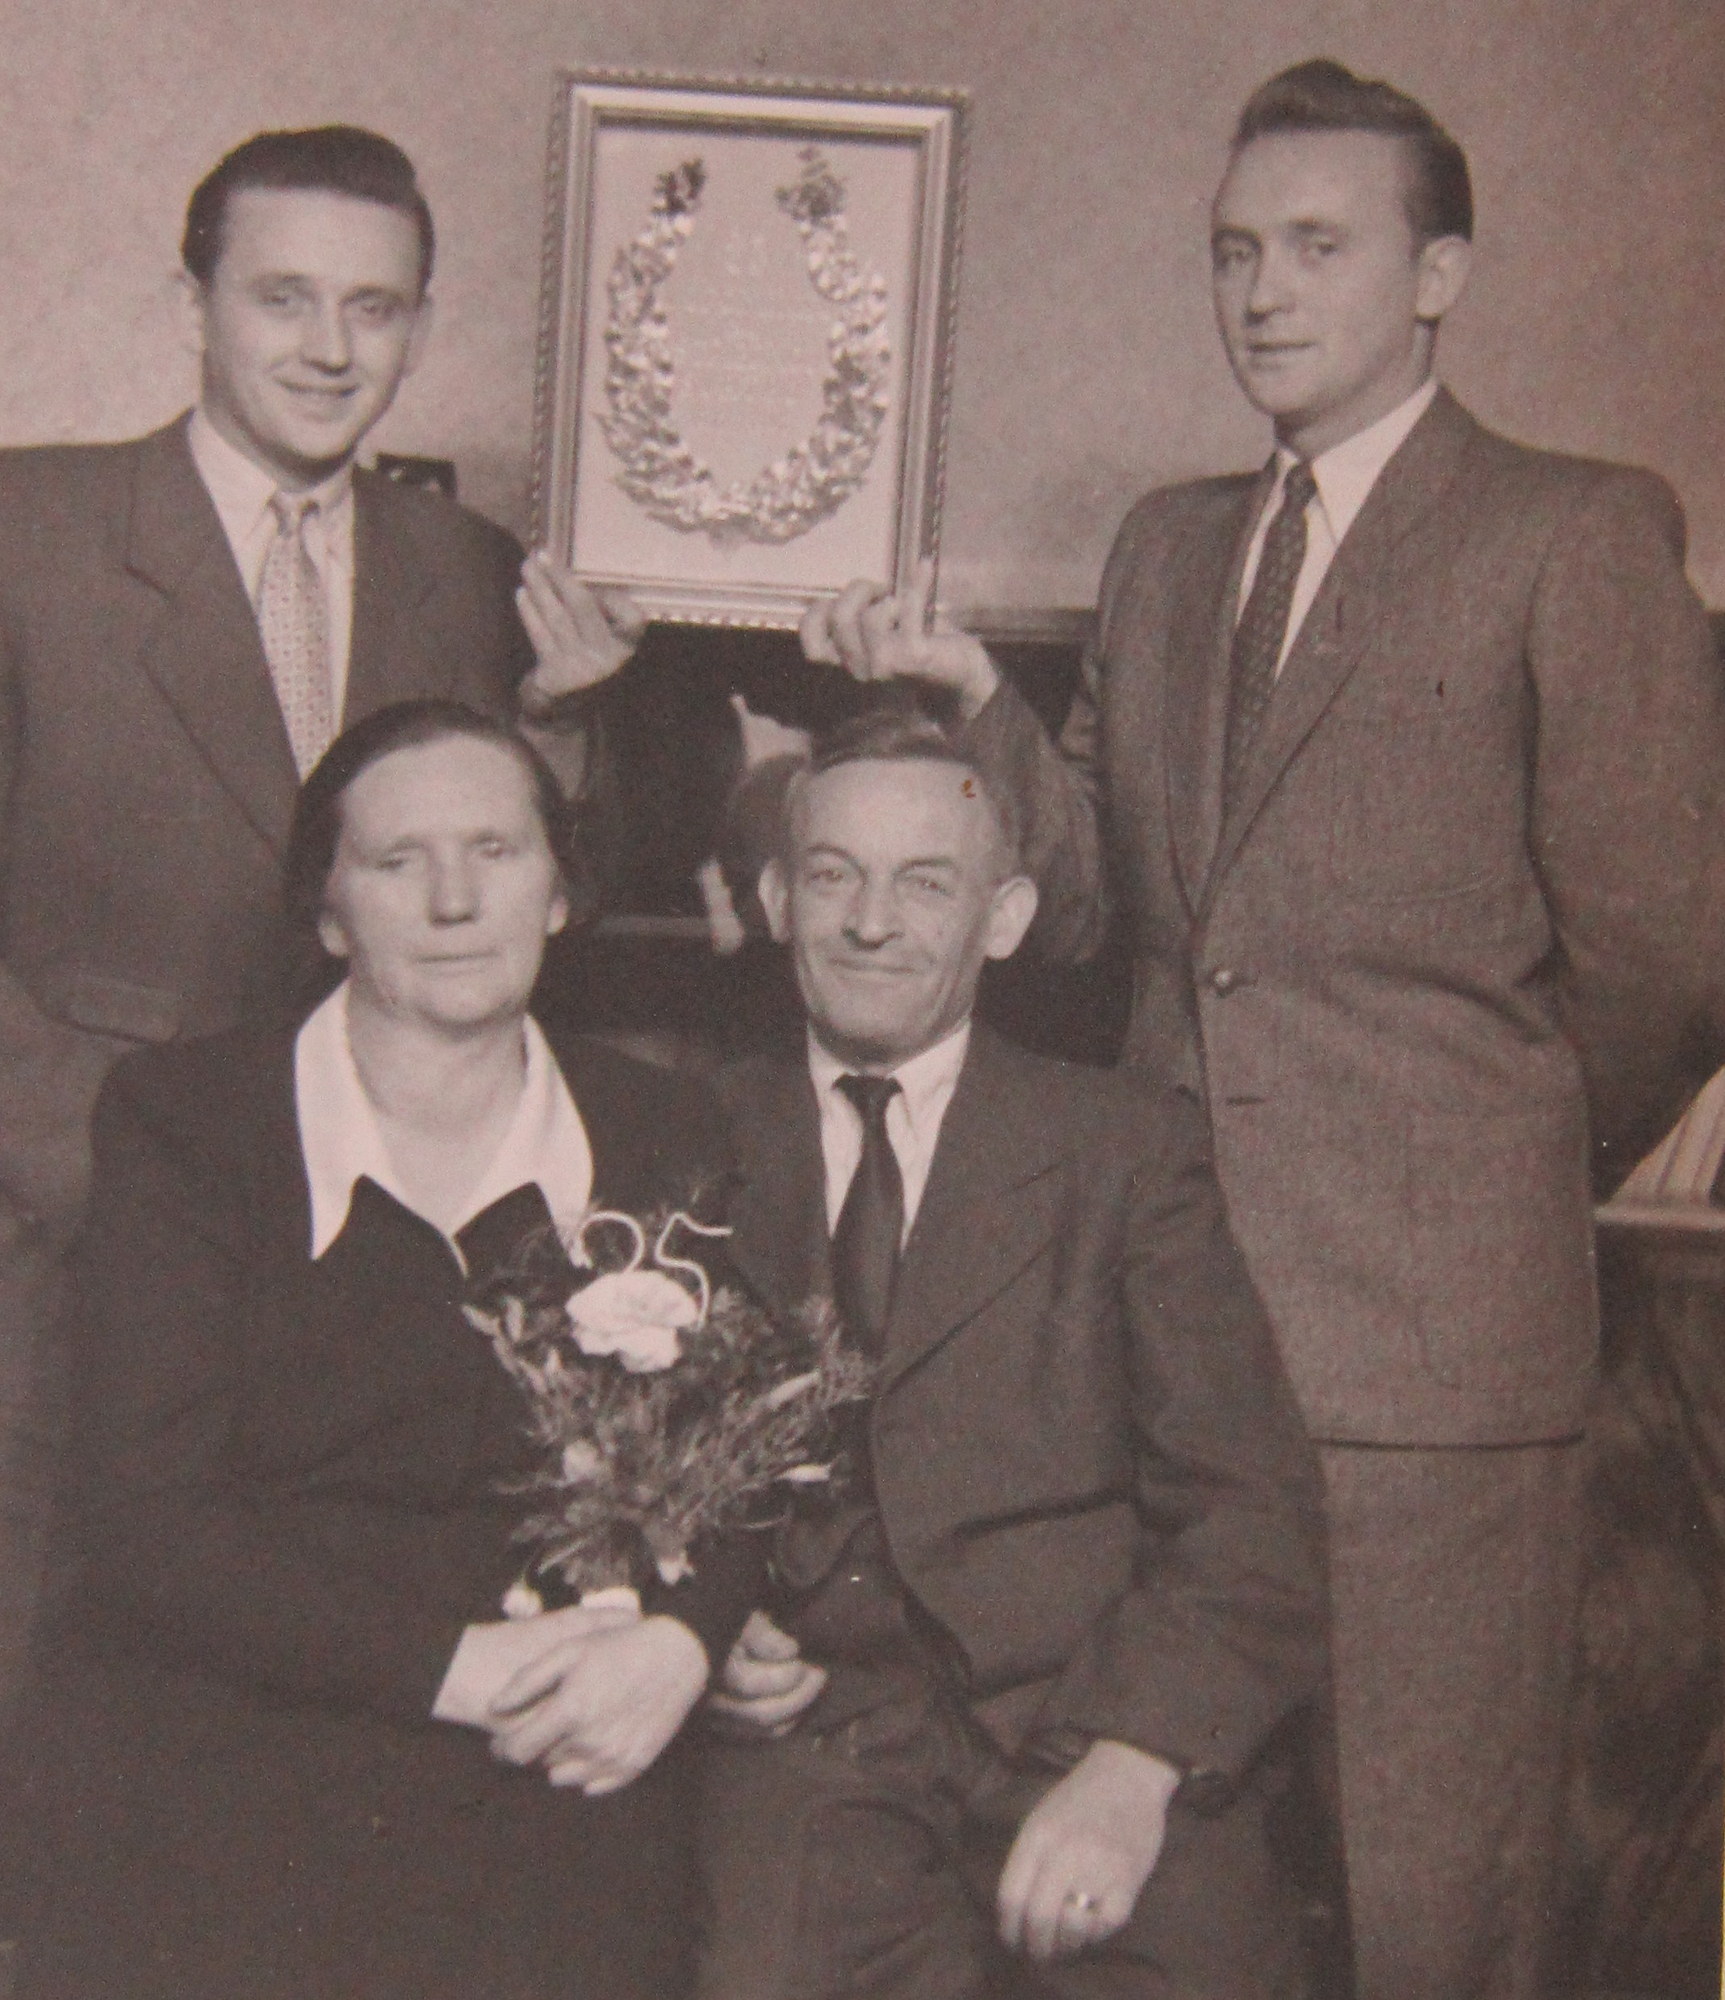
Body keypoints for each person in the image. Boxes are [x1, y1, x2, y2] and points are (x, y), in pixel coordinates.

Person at [795, 59, 1725, 2000]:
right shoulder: (1165, 546)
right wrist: (972, 709)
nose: (1261, 292)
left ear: (1437, 274)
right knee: (1172, 1886)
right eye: (1232, 252)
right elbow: (1093, 914)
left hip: (1429, 1362)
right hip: (1156, 1346)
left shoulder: (1570, 531)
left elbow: (1663, 954)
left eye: (1315, 246)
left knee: (1420, 1897)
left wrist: (1488, 1158)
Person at [0, 124, 633, 1725]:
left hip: (365, 1288)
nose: (330, 348)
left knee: (309, 1728)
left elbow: (522, 885)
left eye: (376, 306)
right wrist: (74, 1166)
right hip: (59, 1245)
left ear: (420, 325)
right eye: (283, 297)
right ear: (192, 303)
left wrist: (561, 727)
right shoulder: (27, 531)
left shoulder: (470, 570)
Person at [8, 701, 753, 1999]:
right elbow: (146, 1525)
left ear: (560, 892)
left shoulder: (658, 1126)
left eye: (496, 851)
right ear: (331, 915)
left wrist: (682, 1643)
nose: (455, 901)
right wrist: (453, 1668)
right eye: (399, 861)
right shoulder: (189, 1125)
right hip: (236, 1753)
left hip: (551, 1761)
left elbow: (740, 1454)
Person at [697, 709, 1327, 1999]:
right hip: (815, 1746)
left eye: (927, 884)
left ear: (1006, 918)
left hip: (1086, 1720)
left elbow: (1251, 1512)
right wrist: (700, 1628)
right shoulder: (685, 1136)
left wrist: (1135, 1766)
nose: (873, 923)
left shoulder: (1125, 1148)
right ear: (775, 901)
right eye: (834, 876)